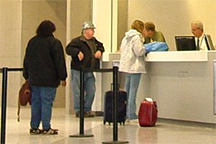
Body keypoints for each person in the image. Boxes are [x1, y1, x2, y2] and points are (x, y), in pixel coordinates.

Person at [23, 20, 67, 135]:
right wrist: (63, 77)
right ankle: (46, 127)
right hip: (49, 79)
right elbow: (59, 61)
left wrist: (26, 75)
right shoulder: (54, 42)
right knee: (47, 102)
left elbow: (27, 59)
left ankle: (34, 127)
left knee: (36, 102)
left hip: (34, 78)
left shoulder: (32, 42)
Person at [66, 21, 105, 118]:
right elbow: (68, 49)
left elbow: (101, 46)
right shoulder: (77, 41)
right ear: (86, 31)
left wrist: (100, 51)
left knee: (91, 90)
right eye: (91, 30)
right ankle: (79, 110)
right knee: (77, 91)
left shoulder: (94, 42)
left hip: (89, 70)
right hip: (78, 70)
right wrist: (77, 52)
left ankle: (87, 109)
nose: (93, 32)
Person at [119, 20, 146, 121]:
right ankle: (131, 114)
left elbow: (122, 50)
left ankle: (125, 112)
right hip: (135, 67)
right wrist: (145, 48)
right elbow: (139, 52)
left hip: (127, 66)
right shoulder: (137, 37)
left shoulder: (125, 38)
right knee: (133, 91)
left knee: (127, 91)